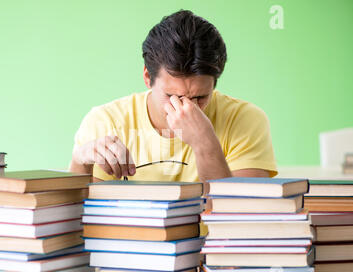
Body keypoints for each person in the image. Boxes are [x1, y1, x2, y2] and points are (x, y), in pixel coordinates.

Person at [69, 10, 277, 183]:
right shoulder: (105, 121)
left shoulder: (244, 119)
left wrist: (205, 143)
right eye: (172, 95)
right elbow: (79, 219)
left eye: (201, 97)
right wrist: (81, 161)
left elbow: (244, 214)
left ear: (214, 83)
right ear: (147, 77)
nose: (187, 108)